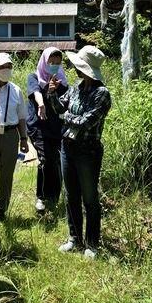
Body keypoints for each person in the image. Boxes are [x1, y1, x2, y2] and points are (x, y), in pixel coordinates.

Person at [48, 45, 111, 259]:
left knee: (90, 198)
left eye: (79, 67)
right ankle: (74, 239)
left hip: (88, 151)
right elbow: (59, 109)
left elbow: (86, 122)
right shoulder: (76, 87)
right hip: (68, 147)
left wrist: (66, 117)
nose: (76, 69)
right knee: (71, 195)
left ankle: (92, 244)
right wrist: (52, 93)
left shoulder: (102, 94)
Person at [27, 47, 68, 212]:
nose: (54, 65)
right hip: (38, 125)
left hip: (56, 126)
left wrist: (55, 90)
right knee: (45, 160)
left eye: (58, 63)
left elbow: (66, 102)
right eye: (51, 62)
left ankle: (53, 197)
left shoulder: (62, 81)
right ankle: (41, 197)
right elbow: (35, 92)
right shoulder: (34, 76)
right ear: (45, 61)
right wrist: (42, 103)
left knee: (56, 160)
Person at [0, 52, 29, 220]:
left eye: (9, 66)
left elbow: (21, 117)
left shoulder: (16, 90)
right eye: (2, 67)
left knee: (6, 175)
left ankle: (0, 209)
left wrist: (24, 138)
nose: (6, 70)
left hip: (11, 135)